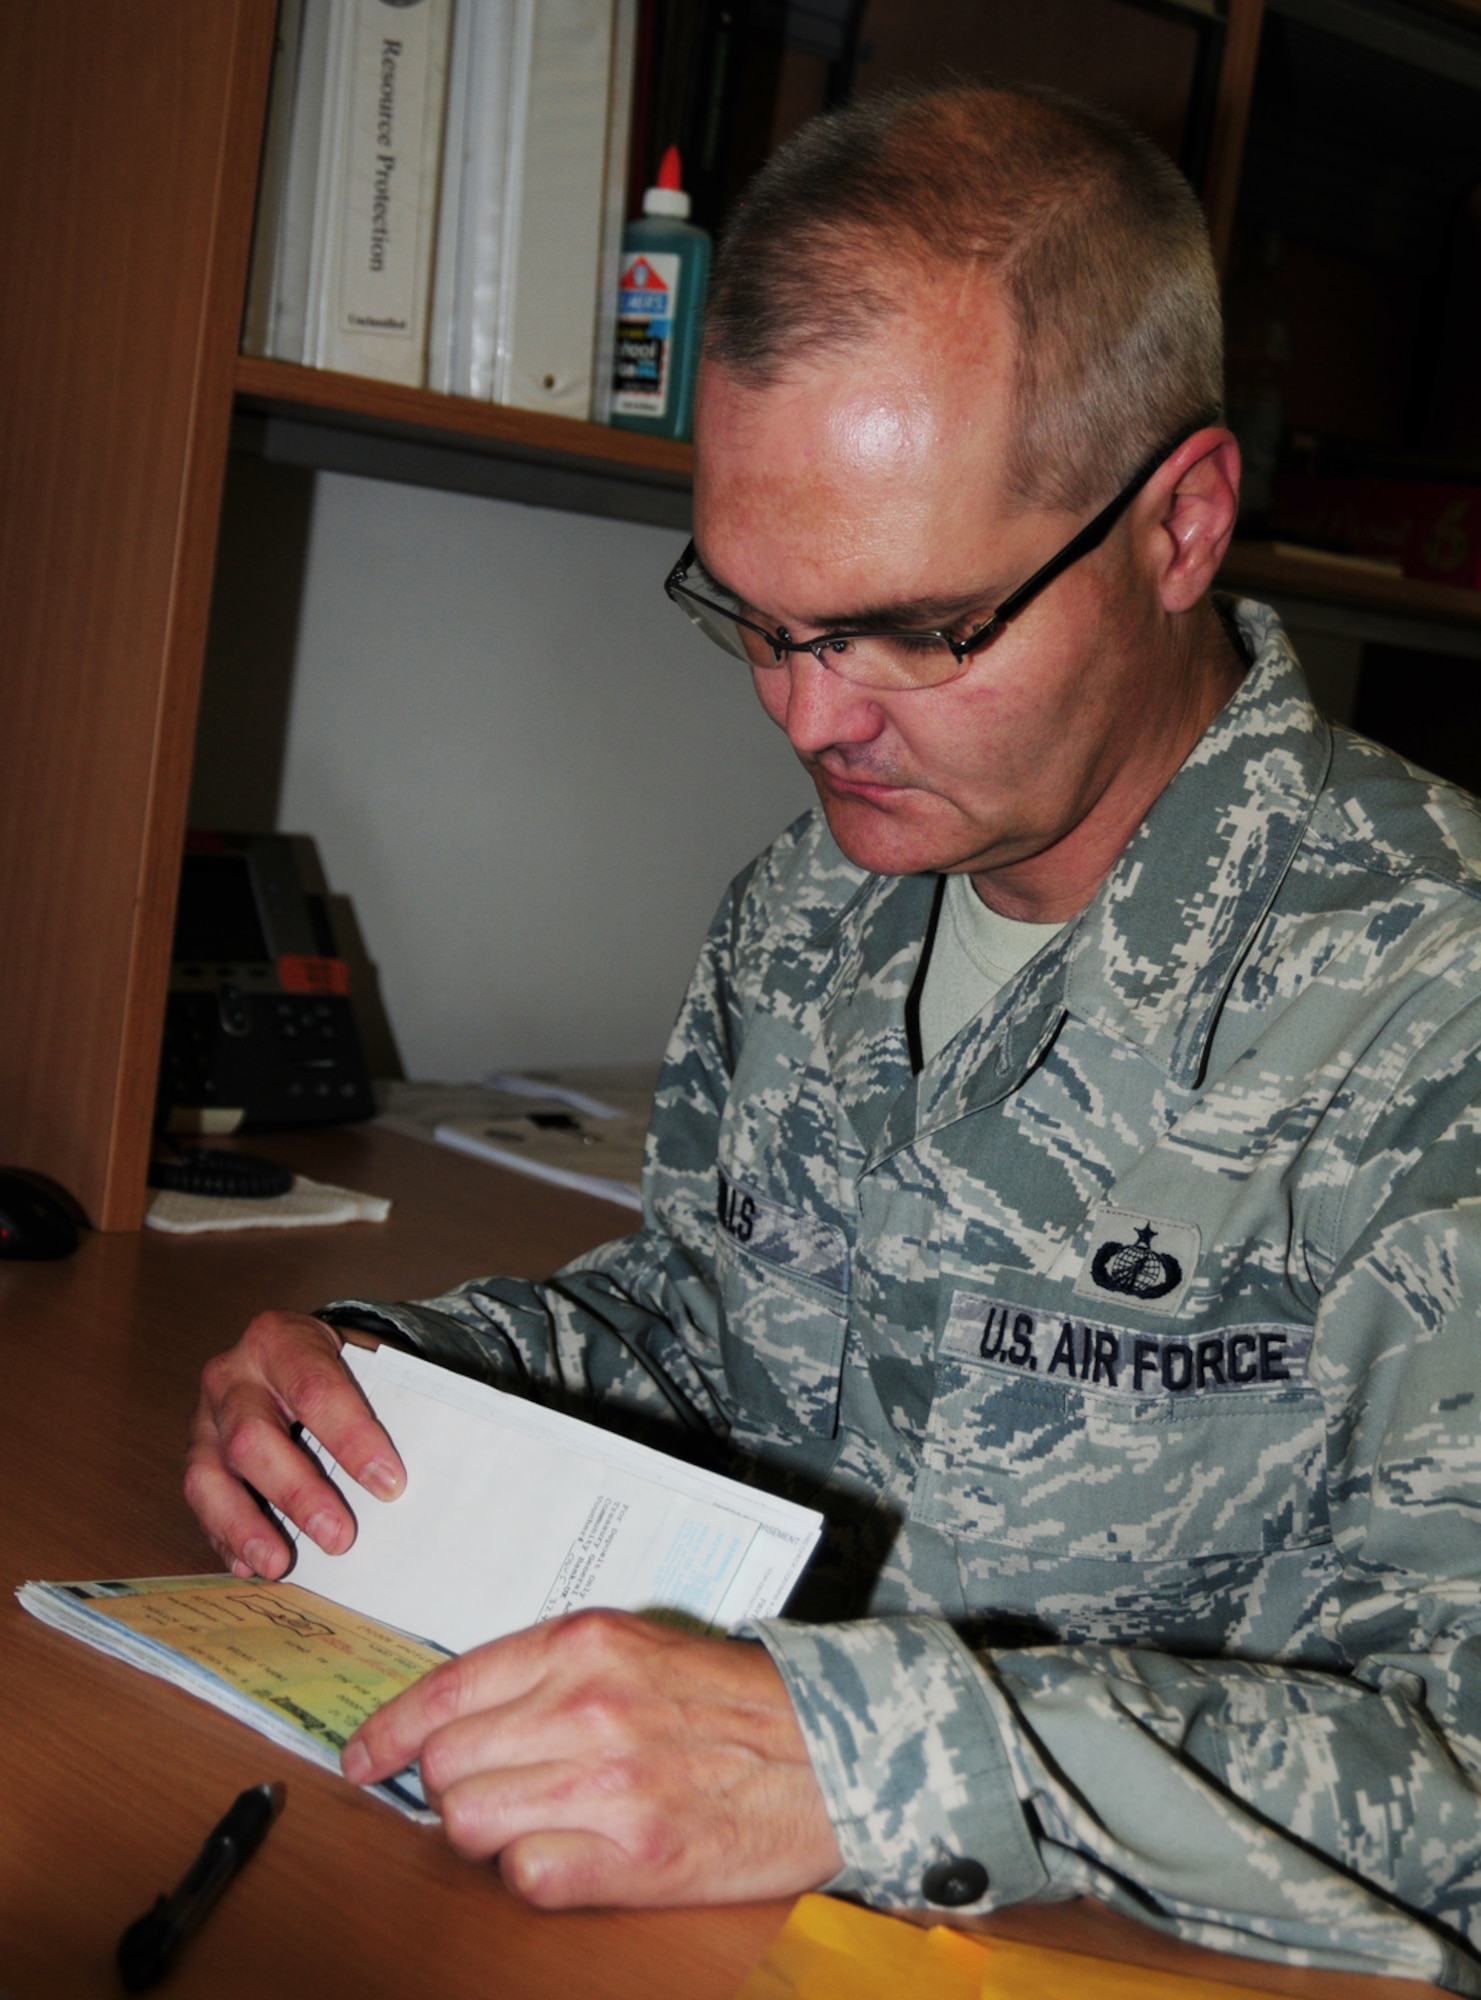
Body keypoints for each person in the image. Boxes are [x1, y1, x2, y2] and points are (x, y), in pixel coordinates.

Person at [185, 83, 1481, 1993]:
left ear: (1182, 522)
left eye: (914, 630)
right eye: (756, 617)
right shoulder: (810, 914)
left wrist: (852, 1763)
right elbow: (709, 1335)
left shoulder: (1430, 1004)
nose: (808, 719)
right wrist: (390, 1395)